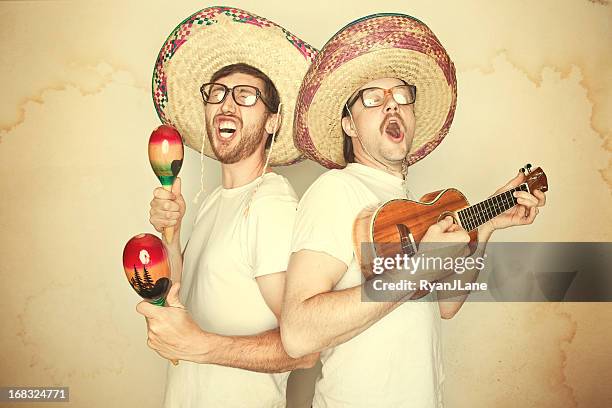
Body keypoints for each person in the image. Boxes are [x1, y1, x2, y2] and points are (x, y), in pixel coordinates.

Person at [281, 13, 546, 407]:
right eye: (373, 98)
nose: (392, 105)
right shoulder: (336, 190)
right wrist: (418, 267)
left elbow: (447, 305)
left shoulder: (410, 205)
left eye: (402, 95)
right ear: (349, 125)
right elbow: (297, 334)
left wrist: (486, 228)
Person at [135, 7, 318, 408]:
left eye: (246, 96)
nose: (226, 105)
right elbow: (181, 292)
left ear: (272, 122)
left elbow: (304, 348)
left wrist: (200, 345)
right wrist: (173, 230)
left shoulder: (270, 205)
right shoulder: (214, 201)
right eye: (216, 93)